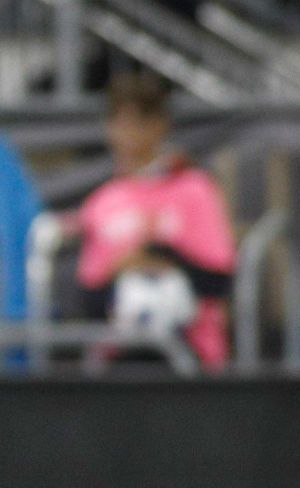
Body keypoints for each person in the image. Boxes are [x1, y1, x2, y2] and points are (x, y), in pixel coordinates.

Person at [76, 72, 235, 370]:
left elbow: (218, 280)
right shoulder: (103, 201)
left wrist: (158, 256)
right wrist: (122, 269)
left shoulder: (194, 190)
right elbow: (90, 297)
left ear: (160, 125)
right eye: (118, 122)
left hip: (191, 356)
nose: (127, 134)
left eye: (137, 122)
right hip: (118, 358)